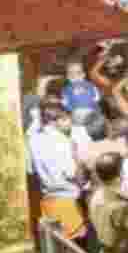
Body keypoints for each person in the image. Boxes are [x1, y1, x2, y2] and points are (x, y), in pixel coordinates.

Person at [27, 103, 87, 240]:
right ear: (55, 121)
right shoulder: (63, 142)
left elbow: (30, 169)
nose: (70, 123)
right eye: (66, 119)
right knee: (75, 251)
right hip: (68, 203)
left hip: (48, 202)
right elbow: (72, 173)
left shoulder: (33, 140)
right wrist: (76, 156)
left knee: (57, 251)